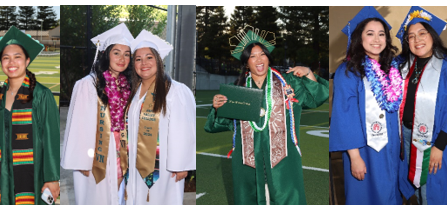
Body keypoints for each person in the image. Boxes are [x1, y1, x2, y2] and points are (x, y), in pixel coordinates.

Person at [205, 27, 329, 205]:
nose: (259, 59)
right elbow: (219, 124)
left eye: (262, 54)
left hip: (283, 160)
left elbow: (317, 97)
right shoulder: (236, 90)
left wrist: (308, 72)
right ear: (246, 62)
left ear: (268, 57)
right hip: (247, 161)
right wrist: (217, 108)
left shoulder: (288, 82)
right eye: (252, 56)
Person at [394, 6, 447, 204]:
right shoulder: (402, 66)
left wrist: (439, 146)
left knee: (435, 190)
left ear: (433, 35)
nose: (417, 40)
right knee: (417, 188)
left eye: (422, 33)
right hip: (406, 137)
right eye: (411, 36)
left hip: (437, 139)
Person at [330, 6, 404, 205]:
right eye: (370, 34)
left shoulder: (392, 69)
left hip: (392, 147)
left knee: (391, 193)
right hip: (365, 149)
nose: (376, 39)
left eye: (381, 34)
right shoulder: (348, 71)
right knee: (366, 196)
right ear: (359, 38)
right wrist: (355, 157)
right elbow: (344, 116)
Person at [61, 23, 136, 205]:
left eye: (127, 54)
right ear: (105, 54)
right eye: (116, 53)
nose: (122, 58)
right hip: (97, 153)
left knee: (119, 196)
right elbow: (78, 125)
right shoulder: (88, 84)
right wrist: (82, 161)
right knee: (97, 197)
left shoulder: (128, 84)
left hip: (122, 149)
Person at [123, 30, 196, 205]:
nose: (144, 63)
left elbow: (184, 130)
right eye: (138, 59)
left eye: (149, 57)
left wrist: (181, 165)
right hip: (133, 165)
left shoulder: (175, 90)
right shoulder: (134, 93)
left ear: (159, 60)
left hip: (164, 168)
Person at [0, 26, 61, 205]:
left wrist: (52, 177)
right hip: (1, 176)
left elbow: (51, 139)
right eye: (6, 58)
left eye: (17, 57)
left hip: (33, 176)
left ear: (27, 60)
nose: (11, 62)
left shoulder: (41, 95)